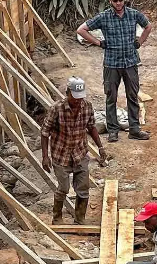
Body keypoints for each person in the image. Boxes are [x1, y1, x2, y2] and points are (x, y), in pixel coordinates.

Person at [76, 0, 152, 143]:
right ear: (110, 1)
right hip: (111, 64)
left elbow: (148, 26)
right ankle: (113, 131)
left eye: (120, 0)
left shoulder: (133, 14)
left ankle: (135, 129)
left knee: (132, 95)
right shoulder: (104, 17)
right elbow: (81, 30)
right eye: (115, 0)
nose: (118, 3)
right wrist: (98, 42)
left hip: (130, 62)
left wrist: (140, 41)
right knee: (111, 97)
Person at [40, 77, 108, 225]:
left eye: (80, 97)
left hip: (80, 153)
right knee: (63, 188)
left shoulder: (87, 107)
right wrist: (45, 156)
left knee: (83, 188)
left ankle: (80, 218)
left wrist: (100, 147)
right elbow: (45, 132)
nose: (77, 101)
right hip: (61, 155)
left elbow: (91, 127)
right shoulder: (56, 109)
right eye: (74, 97)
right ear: (67, 93)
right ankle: (57, 217)